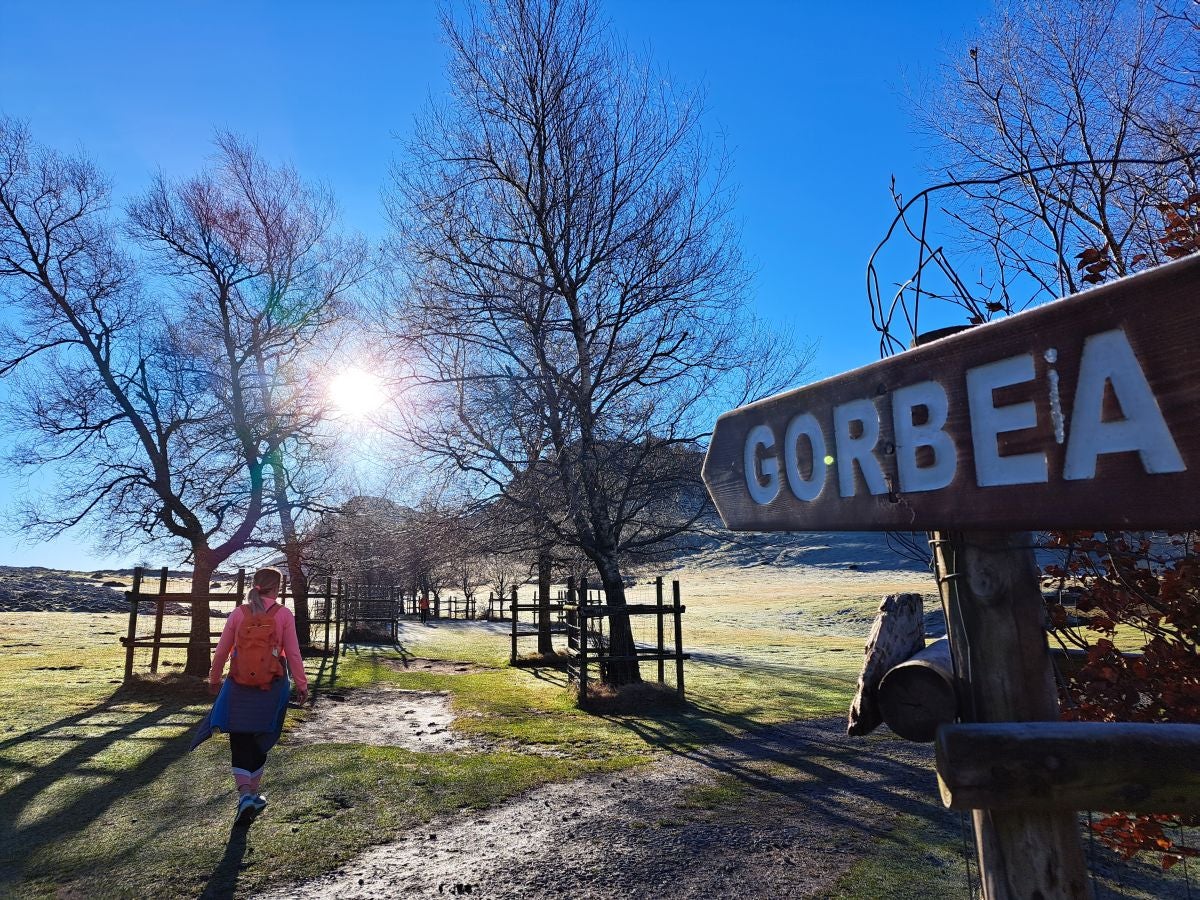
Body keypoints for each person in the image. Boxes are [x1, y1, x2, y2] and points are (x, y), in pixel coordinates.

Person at [190, 566, 309, 826]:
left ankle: (245, 795)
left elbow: (221, 651)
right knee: (263, 735)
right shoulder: (283, 615)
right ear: (278, 588)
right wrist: (302, 684)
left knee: (240, 736)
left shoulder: (238, 613)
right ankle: (252, 793)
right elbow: (293, 653)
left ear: (255, 585)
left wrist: (214, 679)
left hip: (238, 684)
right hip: (273, 685)